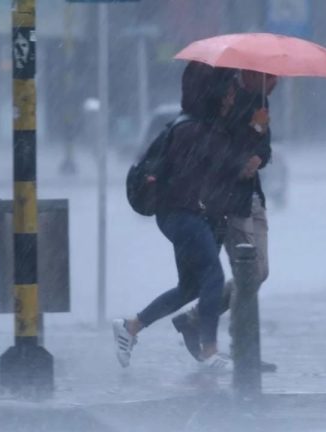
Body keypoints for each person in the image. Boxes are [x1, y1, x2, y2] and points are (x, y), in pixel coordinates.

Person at [111, 61, 270, 370]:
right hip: (181, 215)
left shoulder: (201, 127)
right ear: (213, 95)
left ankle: (131, 326)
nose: (230, 100)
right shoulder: (193, 130)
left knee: (191, 287)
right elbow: (222, 169)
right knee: (214, 277)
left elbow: (224, 167)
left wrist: (255, 134)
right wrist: (254, 133)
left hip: (183, 216)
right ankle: (210, 352)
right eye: (226, 95)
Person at [170, 70, 278, 369]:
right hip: (232, 201)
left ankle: (192, 320)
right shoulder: (225, 104)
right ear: (254, 76)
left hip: (254, 198)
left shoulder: (261, 103)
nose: (277, 82)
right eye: (271, 77)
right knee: (247, 275)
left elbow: (264, 148)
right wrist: (240, 161)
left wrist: (259, 152)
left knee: (259, 272)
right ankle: (244, 350)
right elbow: (216, 150)